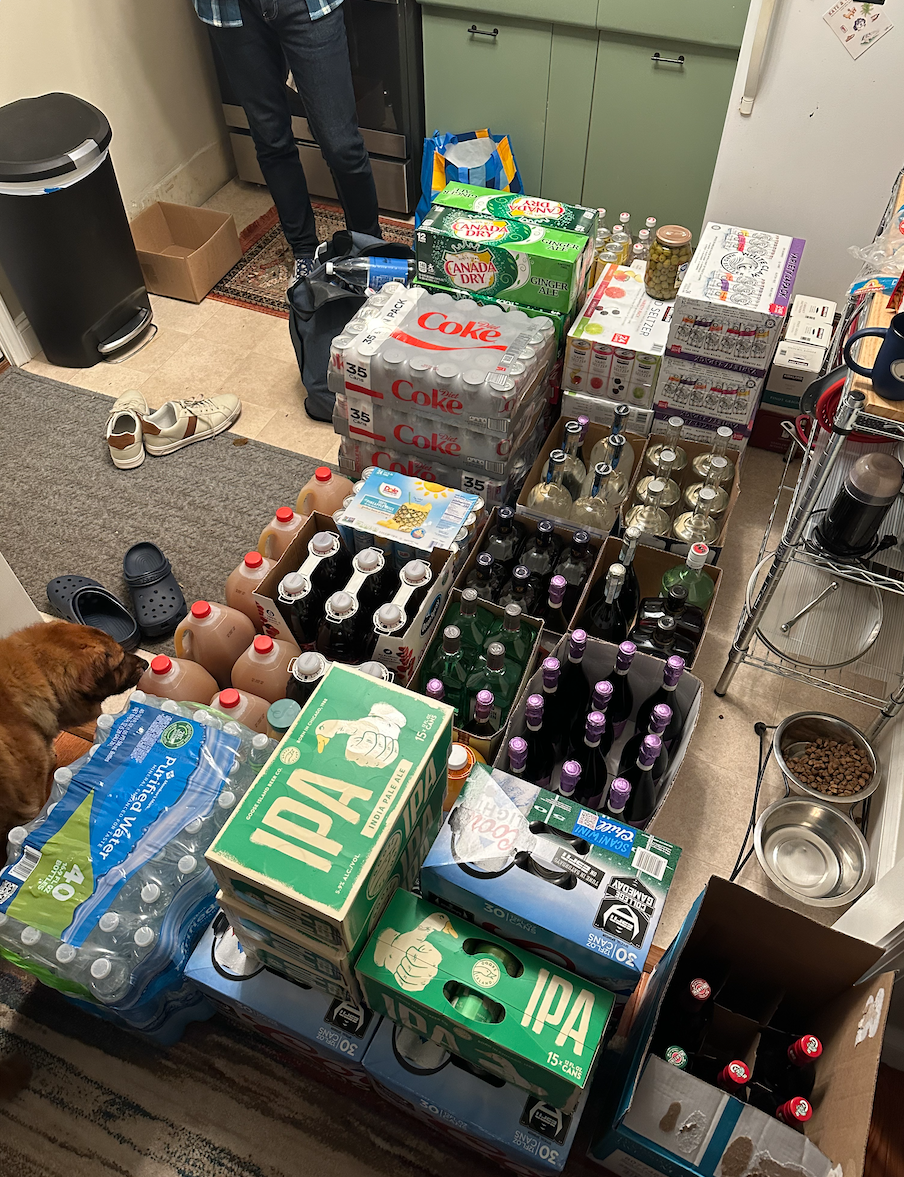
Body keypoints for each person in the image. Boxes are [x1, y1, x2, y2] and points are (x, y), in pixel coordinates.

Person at [193, 0, 381, 283]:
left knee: (341, 144)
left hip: (307, 5)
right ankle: (304, 250)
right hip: (231, 9)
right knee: (271, 138)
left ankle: (369, 248)